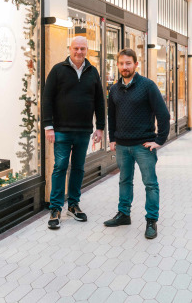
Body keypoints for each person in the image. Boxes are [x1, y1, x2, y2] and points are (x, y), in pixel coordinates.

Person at [104, 48, 170, 239]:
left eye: (128, 63)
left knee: (150, 184)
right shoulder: (114, 89)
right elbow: (112, 115)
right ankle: (124, 214)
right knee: (124, 181)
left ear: (136, 64)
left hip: (143, 146)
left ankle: (151, 220)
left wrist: (159, 140)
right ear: (117, 65)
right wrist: (113, 139)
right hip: (122, 146)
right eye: (122, 63)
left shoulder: (147, 86)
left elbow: (163, 113)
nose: (125, 67)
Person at [43, 36, 105, 229]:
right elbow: (47, 99)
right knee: (60, 167)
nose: (79, 52)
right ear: (69, 49)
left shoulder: (93, 72)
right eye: (76, 48)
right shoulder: (57, 70)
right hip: (61, 130)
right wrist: (48, 126)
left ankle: (74, 204)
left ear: (87, 50)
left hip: (83, 131)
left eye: (83, 49)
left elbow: (99, 102)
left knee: (78, 168)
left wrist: (100, 127)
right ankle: (55, 208)